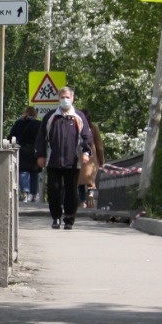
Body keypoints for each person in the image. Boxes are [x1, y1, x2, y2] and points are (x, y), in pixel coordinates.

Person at [35, 86, 92, 230]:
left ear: (72, 99)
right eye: (62, 97)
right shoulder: (51, 117)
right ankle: (56, 217)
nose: (65, 100)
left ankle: (69, 219)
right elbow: (41, 137)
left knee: (72, 191)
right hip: (53, 160)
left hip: (72, 161)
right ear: (58, 99)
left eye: (68, 97)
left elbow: (86, 137)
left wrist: (86, 153)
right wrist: (41, 155)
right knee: (54, 190)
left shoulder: (79, 116)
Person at [8, 105, 42, 203]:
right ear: (35, 114)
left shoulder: (18, 123)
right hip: (34, 150)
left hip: (22, 150)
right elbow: (41, 138)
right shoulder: (38, 124)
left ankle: (25, 193)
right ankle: (34, 195)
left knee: (23, 172)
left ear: (25, 113)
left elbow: (11, 136)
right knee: (34, 173)